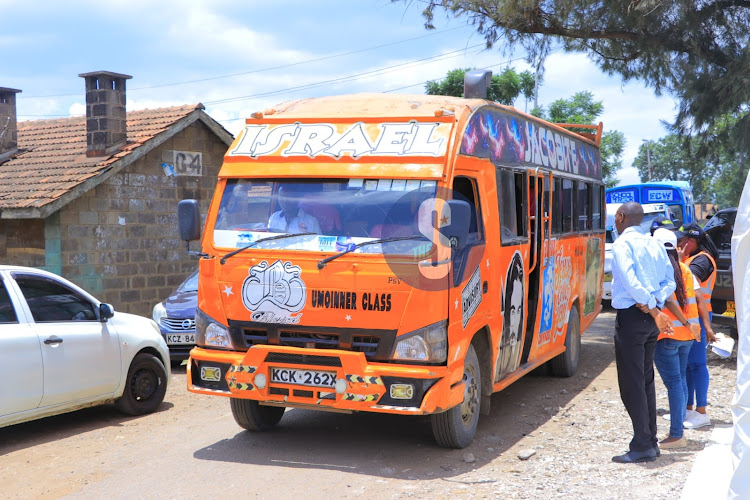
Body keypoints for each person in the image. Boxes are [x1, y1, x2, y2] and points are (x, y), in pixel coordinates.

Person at [610, 202, 676, 464]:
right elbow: (670, 281)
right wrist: (656, 304)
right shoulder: (654, 244)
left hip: (635, 317)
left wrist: (650, 305)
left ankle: (642, 446)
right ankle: (650, 441)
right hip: (650, 318)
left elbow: (629, 279)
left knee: (632, 383)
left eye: (615, 217)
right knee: (645, 379)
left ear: (621, 217)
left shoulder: (622, 245)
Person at [648, 228, 701, 450]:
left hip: (669, 335)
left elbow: (668, 301)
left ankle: (677, 434)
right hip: (687, 336)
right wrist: (691, 325)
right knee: (679, 382)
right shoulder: (685, 269)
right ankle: (679, 430)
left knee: (675, 385)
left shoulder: (662, 269)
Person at [675, 221, 718, 429]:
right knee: (689, 365)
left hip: (700, 316)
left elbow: (686, 283)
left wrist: (680, 262)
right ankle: (688, 408)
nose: (679, 244)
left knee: (698, 364)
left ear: (693, 241)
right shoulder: (693, 258)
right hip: (693, 315)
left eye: (682, 241)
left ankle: (701, 411)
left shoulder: (702, 261)